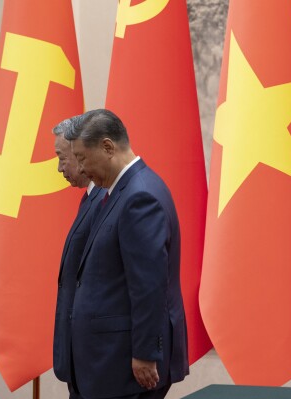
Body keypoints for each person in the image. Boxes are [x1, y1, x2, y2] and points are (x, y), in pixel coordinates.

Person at [64, 109, 189, 399]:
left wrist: (146, 353)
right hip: (108, 361)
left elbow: (148, 285)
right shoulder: (120, 192)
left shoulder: (139, 196)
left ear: (108, 147)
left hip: (125, 365)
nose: (81, 169)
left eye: (82, 158)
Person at [52, 117, 105, 399]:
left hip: (96, 358)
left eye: (62, 157)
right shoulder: (91, 197)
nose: (60, 167)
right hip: (82, 357)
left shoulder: (106, 200)